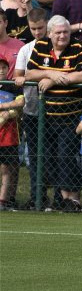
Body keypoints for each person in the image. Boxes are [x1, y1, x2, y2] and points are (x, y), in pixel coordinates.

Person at [25, 15, 82, 210]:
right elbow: (30, 73)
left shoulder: (79, 47)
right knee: (49, 159)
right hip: (46, 115)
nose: (63, 36)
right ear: (50, 33)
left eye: (66, 32)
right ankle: (61, 200)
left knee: (66, 156)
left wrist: (53, 79)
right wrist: (50, 73)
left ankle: (73, 200)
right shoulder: (41, 45)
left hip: (72, 114)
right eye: (59, 32)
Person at [12, 8, 47, 209]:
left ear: (47, 24)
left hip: (53, 110)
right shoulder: (27, 49)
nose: (37, 32)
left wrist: (33, 75)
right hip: (32, 109)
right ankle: (36, 197)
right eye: (33, 28)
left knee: (54, 156)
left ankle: (59, 198)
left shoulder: (55, 46)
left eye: (40, 28)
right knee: (34, 157)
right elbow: (18, 75)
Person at [0, 56, 24, 211]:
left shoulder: (13, 86)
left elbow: (20, 103)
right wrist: (7, 110)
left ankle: (3, 201)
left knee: (7, 169)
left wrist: (4, 108)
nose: (1, 70)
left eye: (3, 67)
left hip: (8, 136)